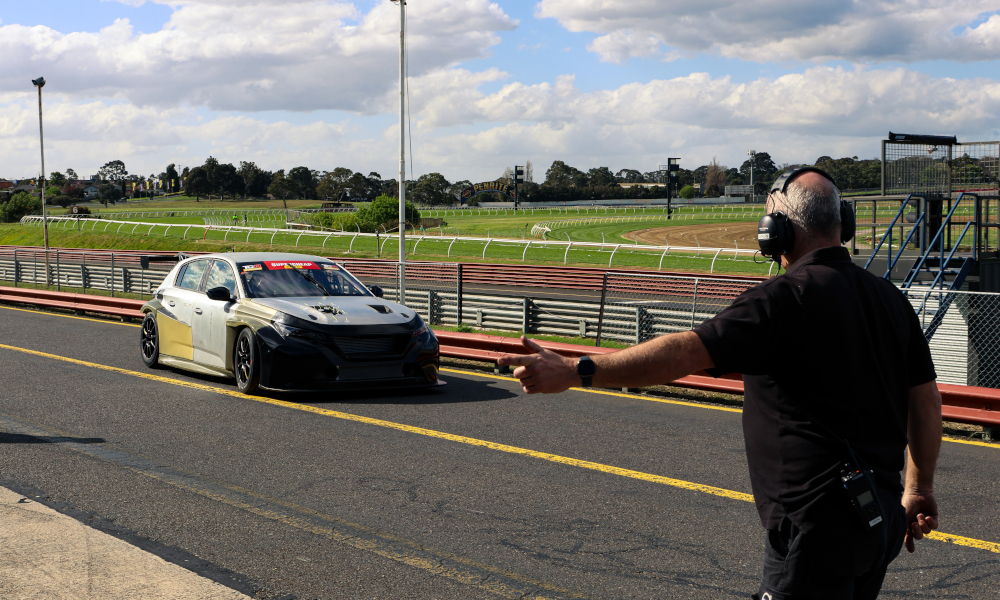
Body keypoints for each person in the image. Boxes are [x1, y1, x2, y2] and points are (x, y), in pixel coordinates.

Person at [499, 167, 942, 599]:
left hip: (815, 528)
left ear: (778, 229)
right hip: (878, 517)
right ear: (841, 222)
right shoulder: (891, 300)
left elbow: (685, 351)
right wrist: (918, 489)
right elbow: (924, 402)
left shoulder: (782, 301)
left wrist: (578, 370)